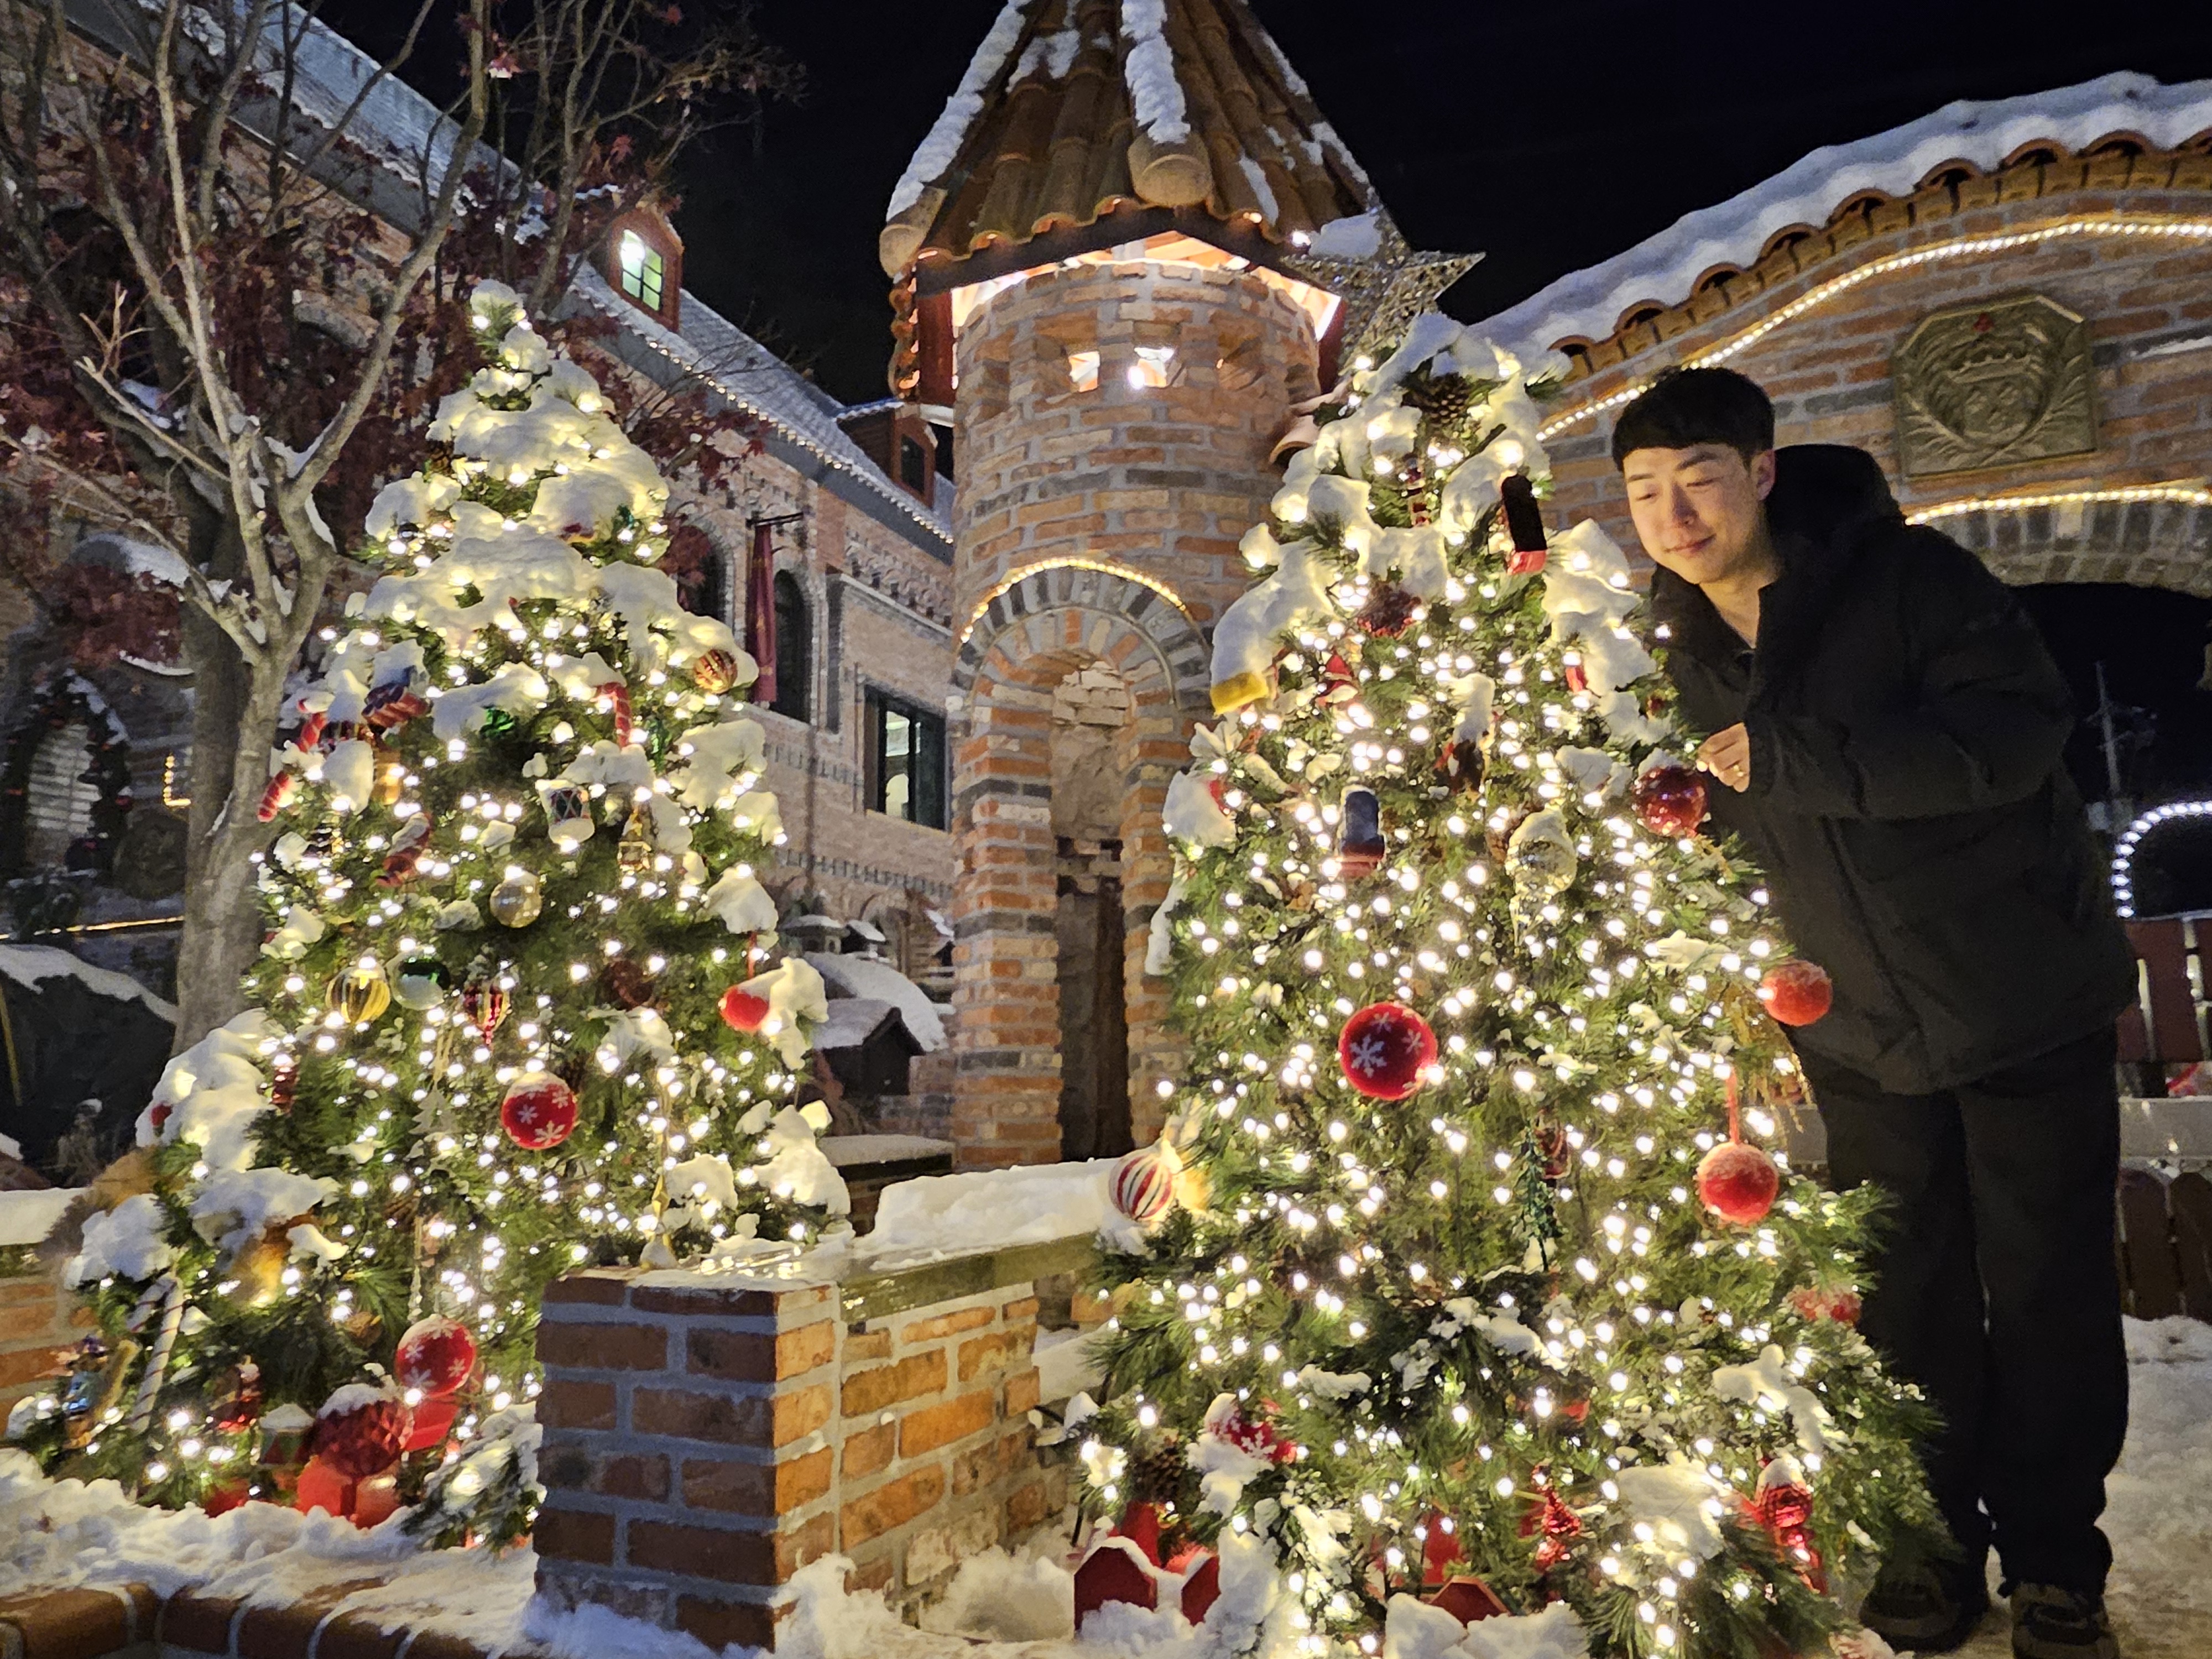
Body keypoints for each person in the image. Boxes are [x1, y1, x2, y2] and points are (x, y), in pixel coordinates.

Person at [1613, 368, 2136, 1659]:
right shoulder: (1663, 651)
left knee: (2043, 1290)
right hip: (1851, 1032)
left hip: (2017, 1001)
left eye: (1699, 481)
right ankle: (1928, 1550)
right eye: (1642, 494)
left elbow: (2011, 740)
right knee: (1901, 1301)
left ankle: (2057, 1562)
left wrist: (1806, 762)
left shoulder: (1908, 583)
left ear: (1761, 473)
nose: (1673, 517)